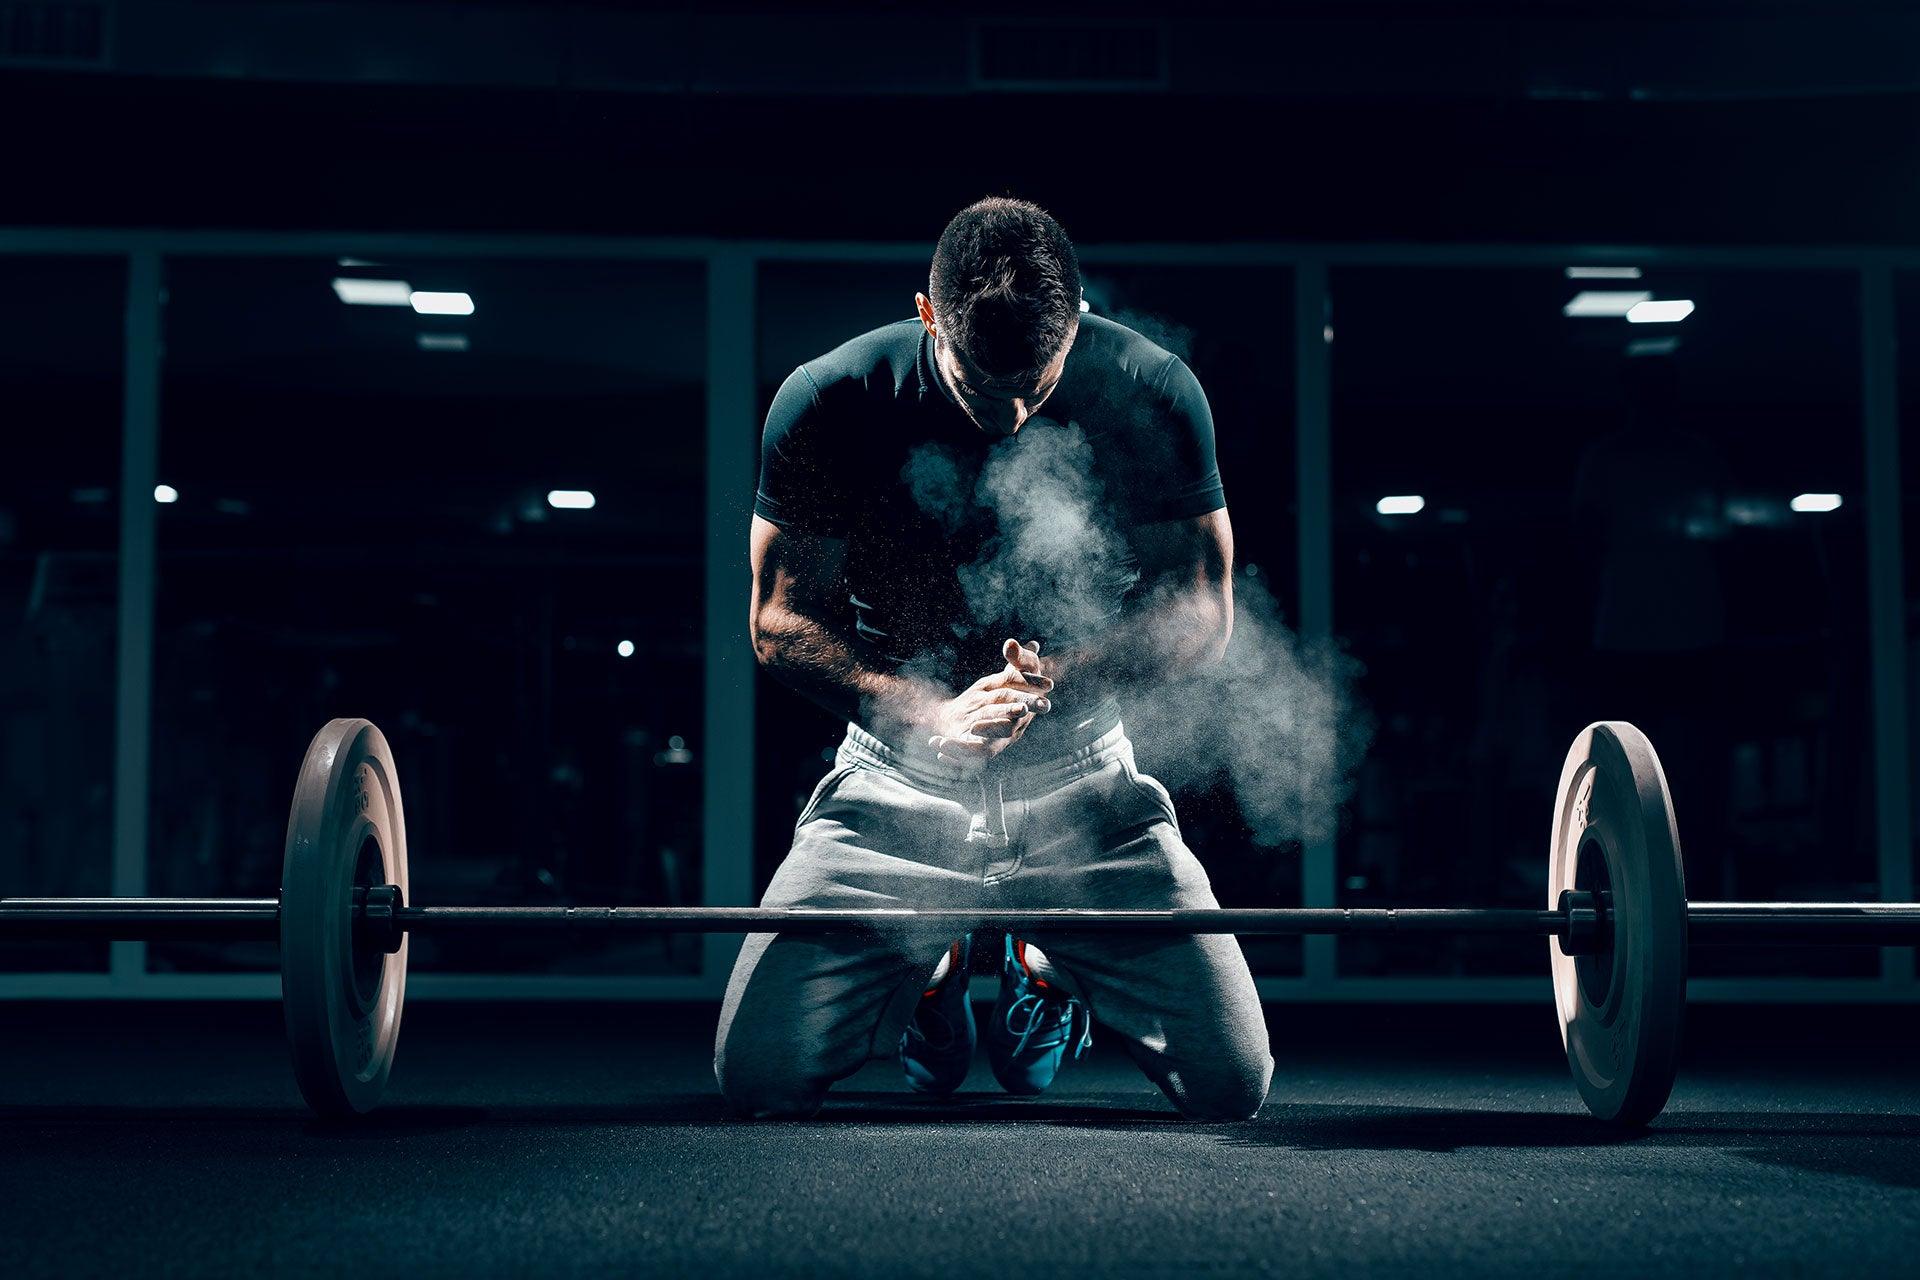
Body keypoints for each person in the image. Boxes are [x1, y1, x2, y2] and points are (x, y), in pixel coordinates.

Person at [714, 196, 1272, 1120]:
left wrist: (1062, 684)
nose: (1012, 414)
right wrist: (927, 714)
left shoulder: (1153, 386)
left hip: (1084, 781)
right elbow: (777, 620)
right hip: (898, 778)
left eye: (1036, 383)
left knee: (1233, 1086)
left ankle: (1043, 965)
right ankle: (928, 970)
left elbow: (1203, 608)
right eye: (984, 383)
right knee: (758, 1074)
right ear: (929, 313)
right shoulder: (829, 399)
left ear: (1079, 315)